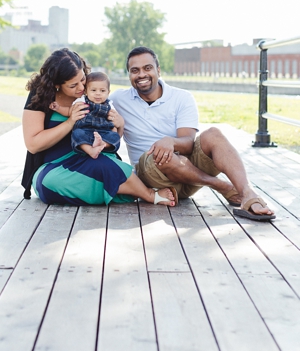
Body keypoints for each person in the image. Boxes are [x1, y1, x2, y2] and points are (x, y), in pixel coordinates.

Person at [110, 46, 275, 221]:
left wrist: (171, 142)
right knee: (161, 154)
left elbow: (188, 142)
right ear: (129, 75)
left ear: (158, 70)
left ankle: (247, 193)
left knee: (213, 133)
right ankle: (222, 186)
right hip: (153, 178)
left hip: (188, 176)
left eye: (147, 68)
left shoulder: (182, 97)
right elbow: (89, 94)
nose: (141, 74)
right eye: (135, 70)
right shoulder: (119, 99)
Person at [21, 48, 176, 207]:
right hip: (57, 166)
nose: (81, 87)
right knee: (47, 183)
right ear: (56, 85)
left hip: (93, 158)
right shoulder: (40, 95)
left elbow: (110, 134)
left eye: (82, 79)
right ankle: (121, 188)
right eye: (73, 85)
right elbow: (33, 145)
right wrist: (70, 122)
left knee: (104, 166)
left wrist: (120, 124)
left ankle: (148, 194)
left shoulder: (93, 89)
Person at [50, 71, 120, 159]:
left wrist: (114, 129)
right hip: (85, 131)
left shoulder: (110, 105)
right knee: (76, 133)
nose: (98, 93)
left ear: (108, 92)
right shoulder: (81, 101)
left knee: (115, 136)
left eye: (102, 91)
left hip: (103, 133)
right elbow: (69, 111)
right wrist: (58, 108)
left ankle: (103, 145)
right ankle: (90, 150)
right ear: (86, 91)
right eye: (93, 90)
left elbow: (114, 121)